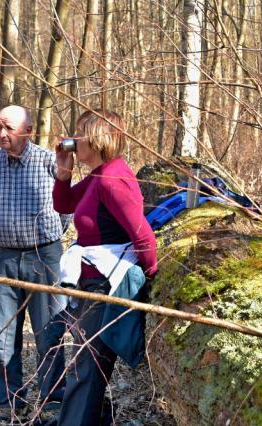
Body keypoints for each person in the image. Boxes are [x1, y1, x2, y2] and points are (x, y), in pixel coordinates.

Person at [52, 110, 158, 425]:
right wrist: (63, 171)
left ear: (98, 137)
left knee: (88, 370)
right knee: (86, 369)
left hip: (104, 289)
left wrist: (150, 277)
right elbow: (65, 204)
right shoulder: (101, 175)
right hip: (91, 287)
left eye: (79, 133)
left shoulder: (112, 178)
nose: (72, 140)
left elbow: (142, 234)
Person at [0, 105, 69, 421]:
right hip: (3, 257)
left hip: (44, 257)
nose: (2, 134)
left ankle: (53, 402)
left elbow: (66, 207)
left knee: (50, 331)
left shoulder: (49, 162)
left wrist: (48, 240)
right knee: (2, 332)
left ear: (28, 131)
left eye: (9, 128)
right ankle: (9, 403)